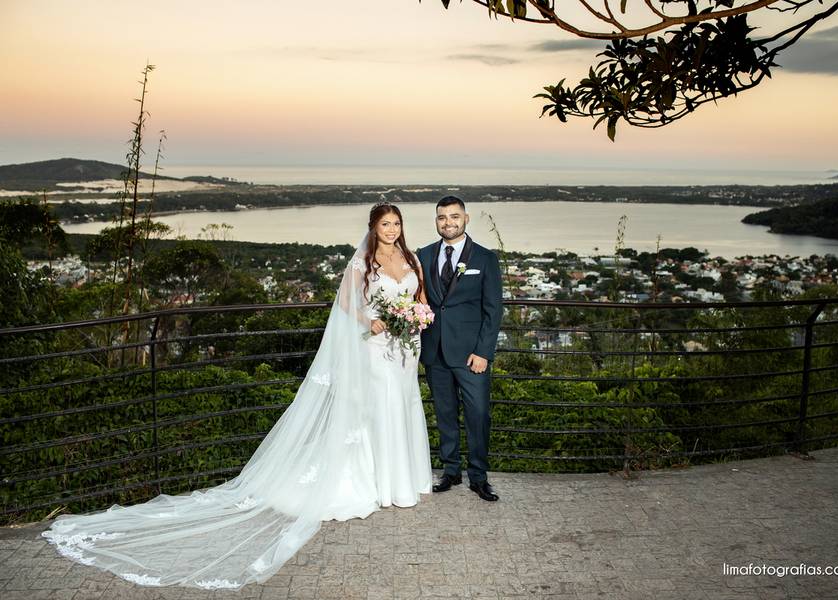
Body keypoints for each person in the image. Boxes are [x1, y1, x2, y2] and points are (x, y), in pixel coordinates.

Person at [42, 203, 432, 590]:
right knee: (375, 410)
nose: (392, 229)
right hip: (375, 348)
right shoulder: (362, 263)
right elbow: (347, 303)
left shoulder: (410, 258)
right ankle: (381, 484)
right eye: (385, 224)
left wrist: (419, 315)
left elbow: (420, 299)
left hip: (404, 349)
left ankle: (401, 481)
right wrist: (372, 320)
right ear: (373, 226)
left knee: (401, 407)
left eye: (397, 223)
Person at [417, 196, 503, 502]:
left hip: (471, 355)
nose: (447, 222)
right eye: (441, 217)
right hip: (435, 351)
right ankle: (450, 470)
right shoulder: (423, 255)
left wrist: (483, 352)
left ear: (466, 219)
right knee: (445, 414)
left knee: (478, 415)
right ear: (436, 221)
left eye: (454, 216)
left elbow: (494, 311)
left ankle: (478, 477)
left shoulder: (485, 259)